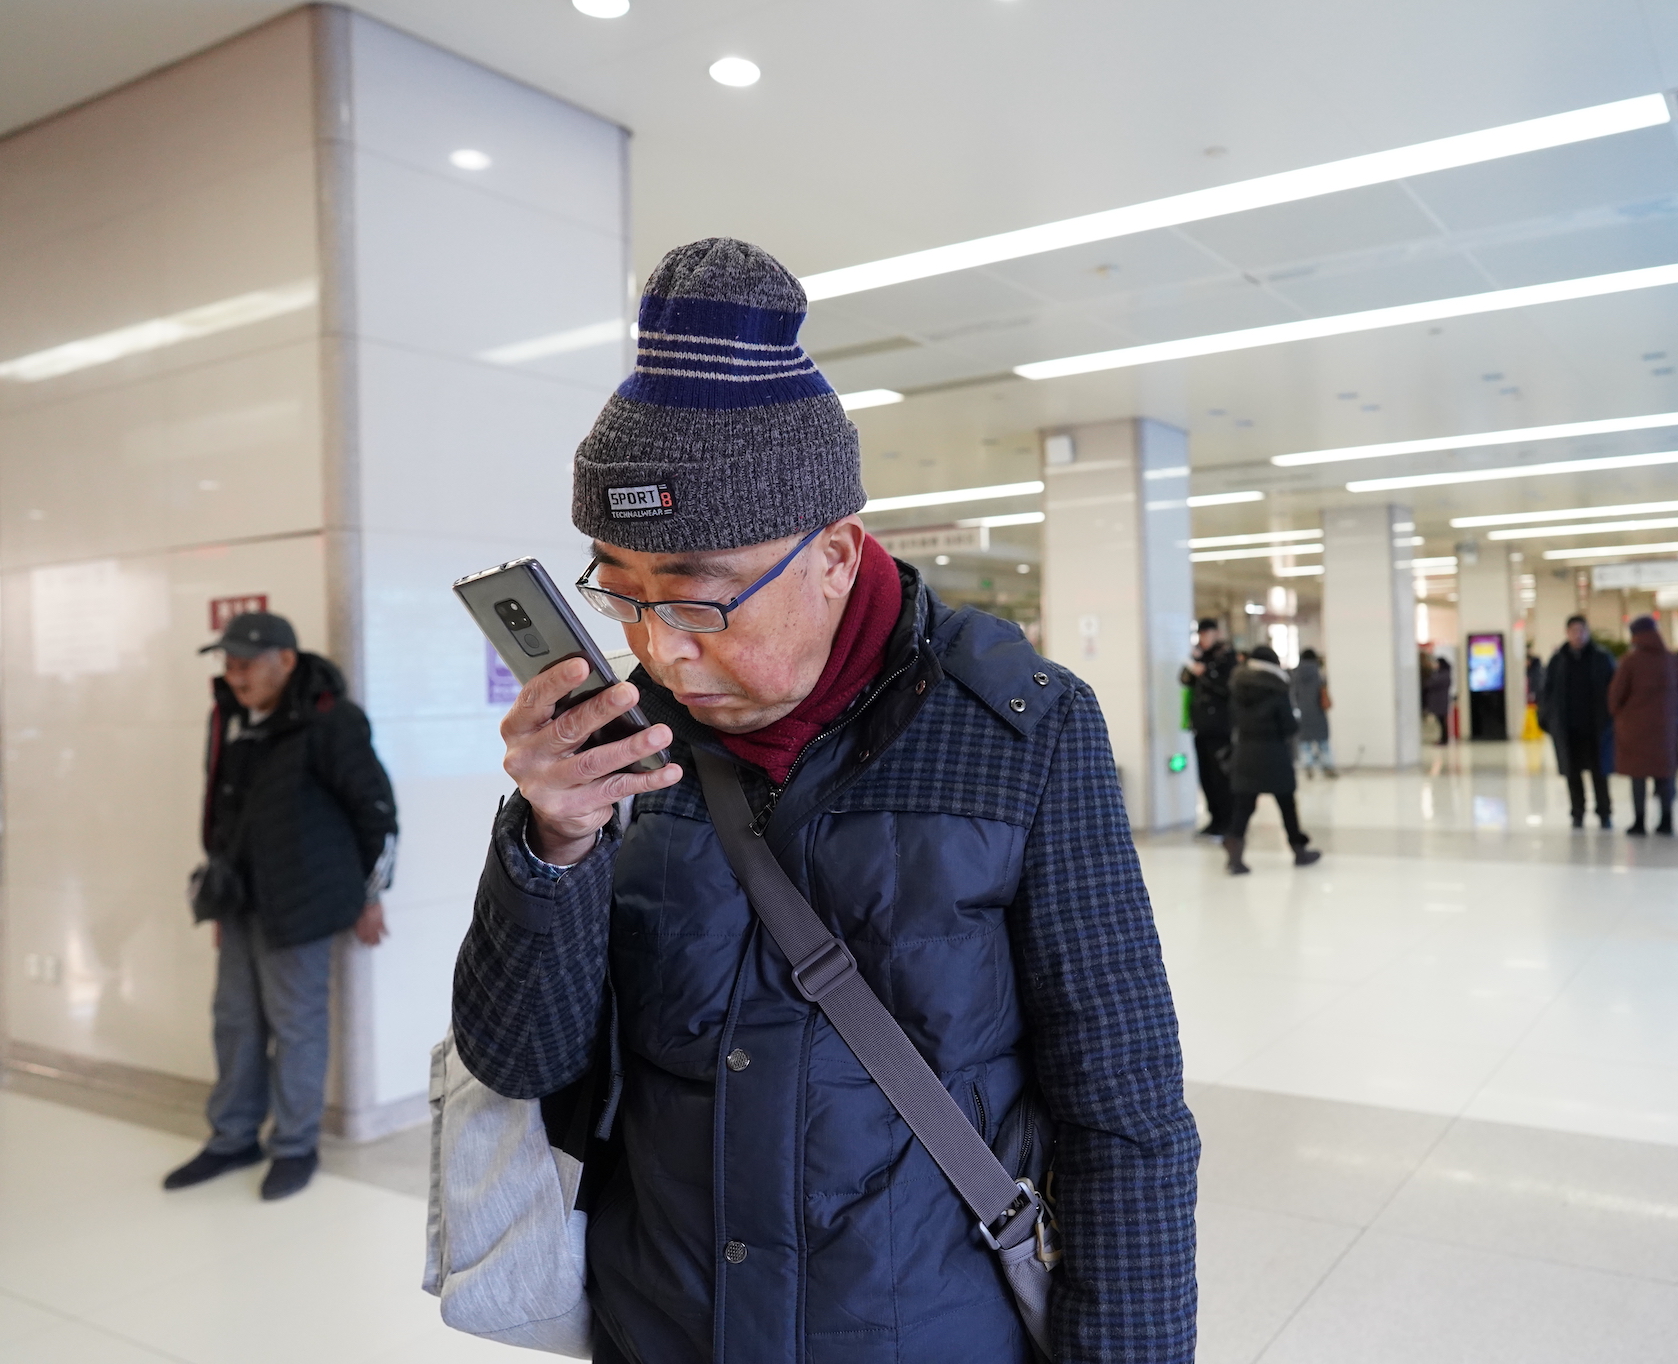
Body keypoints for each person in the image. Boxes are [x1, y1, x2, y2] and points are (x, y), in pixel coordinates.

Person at [451, 239, 1198, 1363]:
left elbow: (1123, 1112)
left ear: (838, 554)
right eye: (620, 592)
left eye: (699, 600)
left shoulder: (1020, 732)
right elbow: (519, 1064)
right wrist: (552, 845)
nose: (659, 649)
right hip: (664, 1326)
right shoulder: (621, 747)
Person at [163, 611, 397, 1201]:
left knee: (296, 1025)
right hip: (240, 899)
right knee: (234, 1021)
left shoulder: (329, 719)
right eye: (230, 663)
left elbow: (376, 811)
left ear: (285, 661)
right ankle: (232, 1137)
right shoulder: (228, 717)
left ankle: (295, 1146)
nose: (236, 675)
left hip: (303, 902)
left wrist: (372, 895)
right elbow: (221, 808)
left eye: (246, 663)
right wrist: (218, 897)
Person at [1223, 645, 1320, 873]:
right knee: (1287, 804)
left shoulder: (1237, 686)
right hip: (1273, 753)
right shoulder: (1276, 687)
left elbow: (1231, 719)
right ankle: (1299, 850)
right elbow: (1289, 726)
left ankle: (1234, 852)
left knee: (1244, 806)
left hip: (1245, 752)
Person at [1608, 616, 1678, 836]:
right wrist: (1671, 693)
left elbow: (1615, 696)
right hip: (1665, 726)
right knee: (1665, 774)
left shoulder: (1630, 661)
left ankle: (1639, 821)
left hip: (1635, 727)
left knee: (1638, 776)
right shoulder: (1669, 659)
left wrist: (1621, 712)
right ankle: (1666, 820)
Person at [1540, 615, 1616, 828]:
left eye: (1581, 631)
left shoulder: (1601, 658)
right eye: (1573, 631)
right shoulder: (1558, 660)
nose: (1578, 635)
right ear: (1567, 633)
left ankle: (1604, 812)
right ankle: (1577, 811)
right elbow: (1546, 692)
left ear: (1587, 632)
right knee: (1572, 773)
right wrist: (1547, 719)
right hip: (1568, 728)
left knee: (1599, 772)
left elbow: (1614, 689)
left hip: (1596, 727)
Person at [1182, 618, 1237, 834]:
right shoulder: (1200, 656)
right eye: (1201, 634)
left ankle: (1228, 821)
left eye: (1207, 634)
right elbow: (1184, 679)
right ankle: (1214, 818)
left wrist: (1205, 673)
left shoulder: (1226, 658)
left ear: (1216, 633)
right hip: (1201, 726)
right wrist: (1193, 663)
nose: (1203, 639)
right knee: (1205, 776)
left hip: (1220, 727)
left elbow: (1227, 688)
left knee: (1220, 776)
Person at [1291, 646, 1337, 776]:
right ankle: (1328, 768)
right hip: (1318, 713)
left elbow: (1293, 694)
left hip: (1302, 714)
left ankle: (1308, 768)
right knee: (1323, 743)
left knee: (1305, 744)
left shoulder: (1295, 674)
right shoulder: (1319, 673)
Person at [1423, 655, 1453, 745]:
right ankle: (1443, 738)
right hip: (1439, 701)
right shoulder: (1442, 673)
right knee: (1441, 721)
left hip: (1440, 701)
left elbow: (1431, 683)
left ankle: (1444, 739)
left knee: (1442, 721)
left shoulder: (1443, 674)